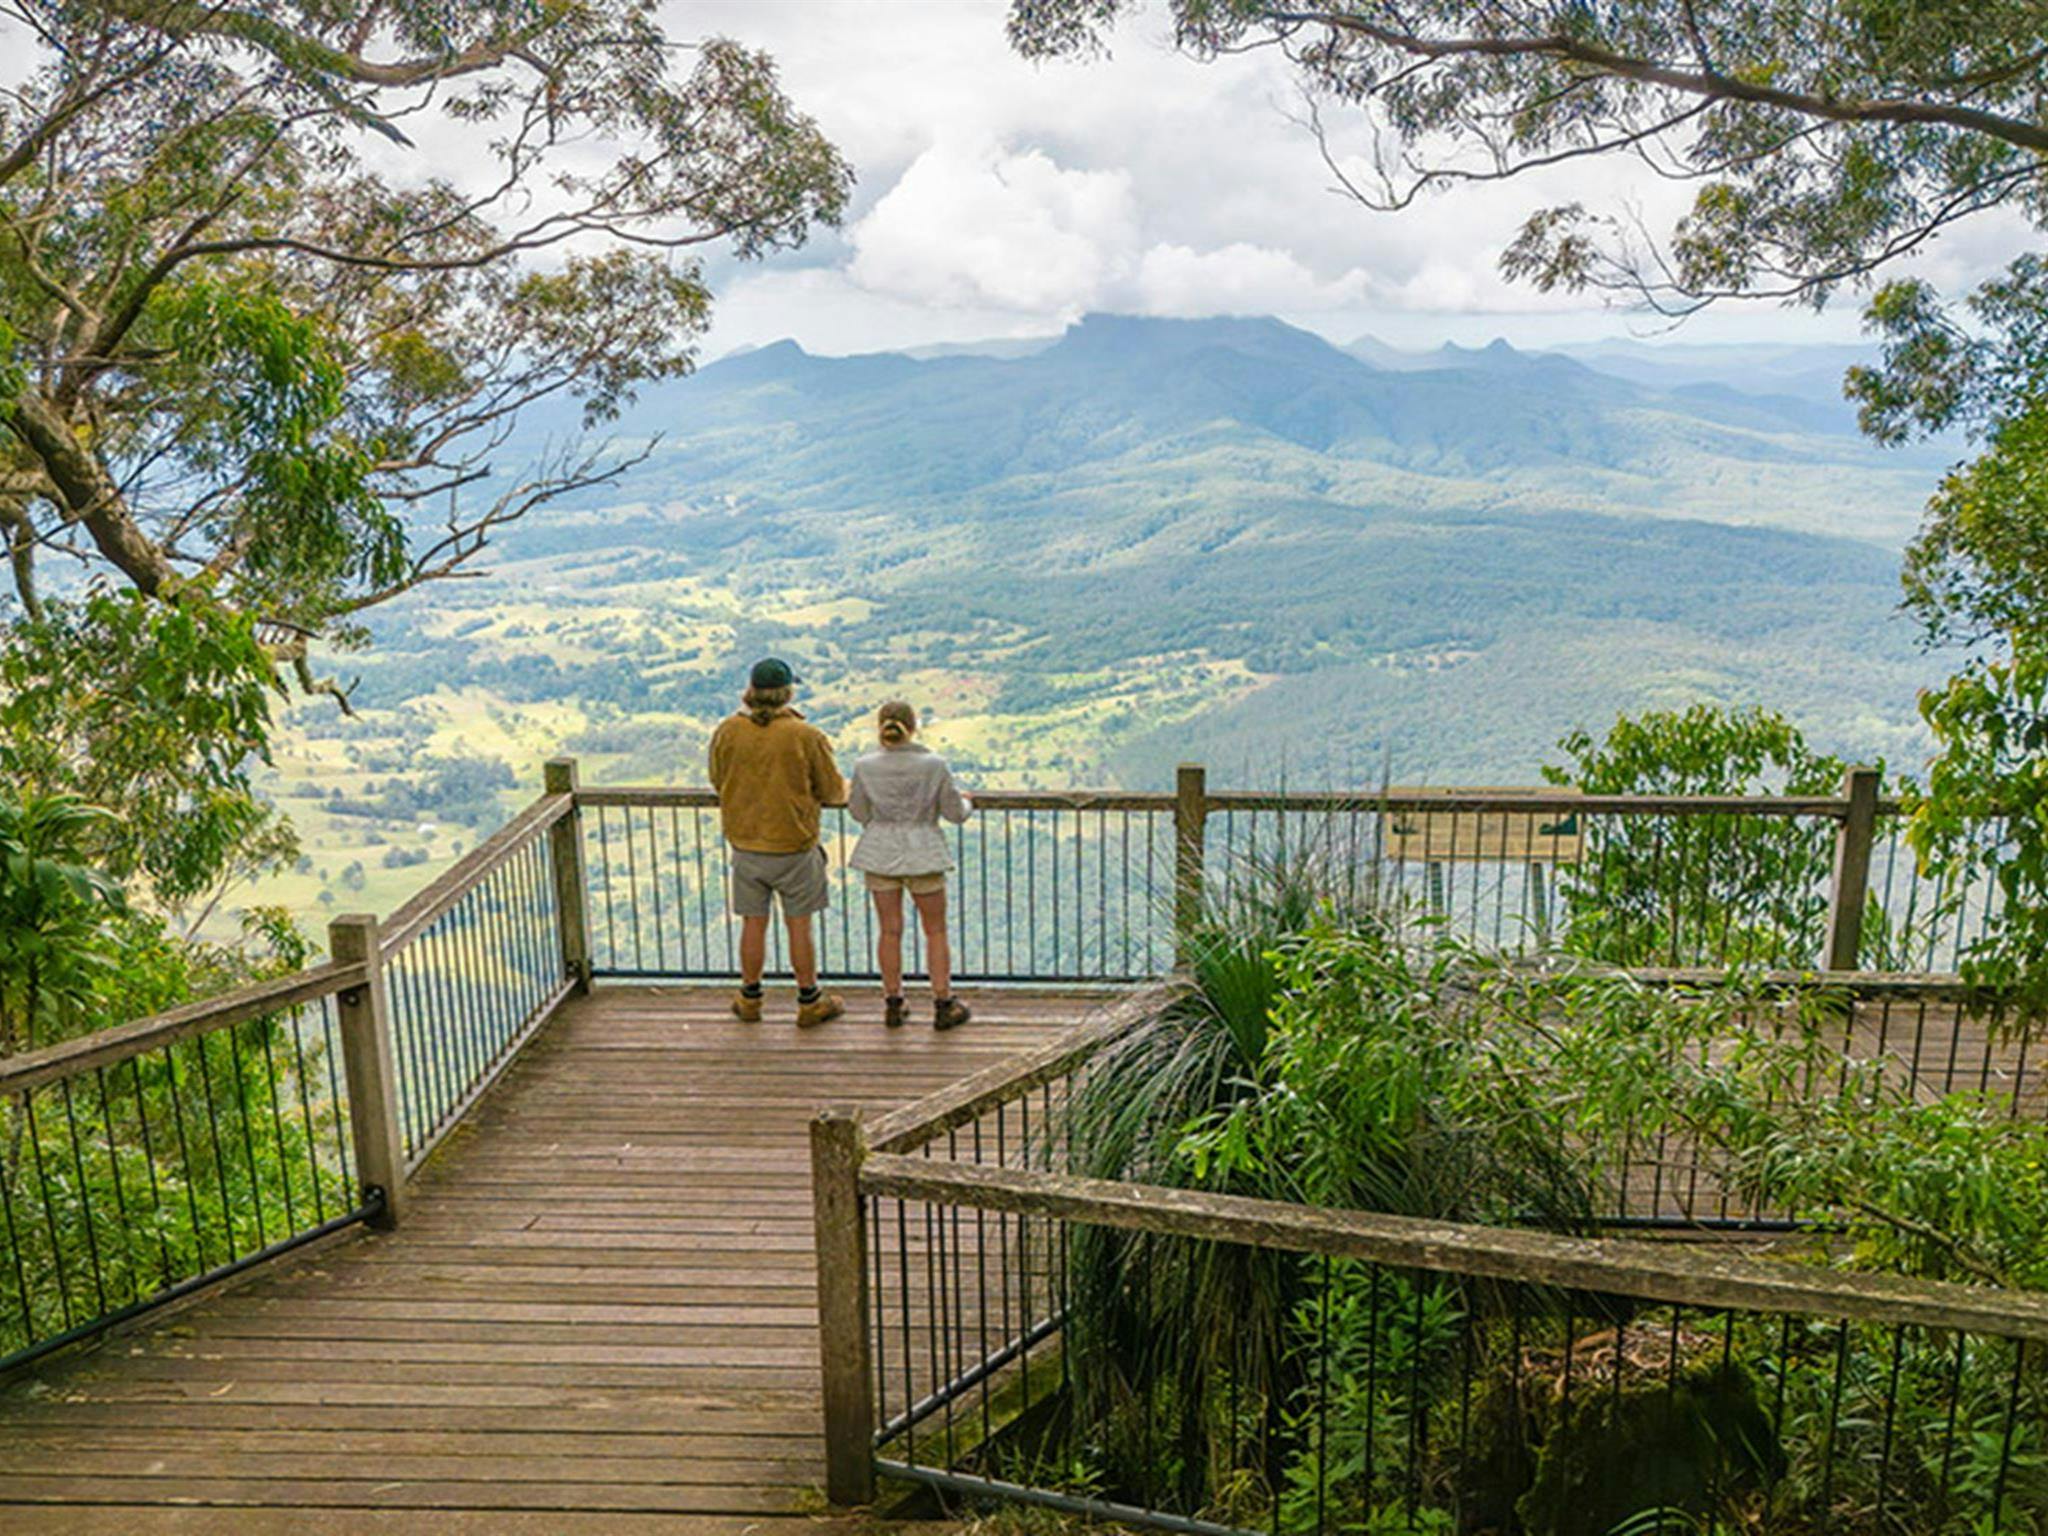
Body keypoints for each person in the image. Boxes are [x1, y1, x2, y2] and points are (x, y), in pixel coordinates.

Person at [707, 657, 847, 1028]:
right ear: (787, 693)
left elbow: (717, 779)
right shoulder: (806, 736)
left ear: (751, 691)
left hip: (746, 845)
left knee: (753, 924)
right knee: (798, 926)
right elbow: (832, 792)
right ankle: (808, 1001)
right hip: (794, 846)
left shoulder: (727, 732)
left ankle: (750, 998)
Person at [846, 700, 974, 1030]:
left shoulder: (864, 765)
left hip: (880, 852)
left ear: (881, 726)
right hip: (924, 852)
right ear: (913, 726)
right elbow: (954, 814)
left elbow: (859, 812)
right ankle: (943, 1002)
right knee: (935, 930)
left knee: (889, 930)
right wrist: (968, 802)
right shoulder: (934, 764)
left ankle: (893, 1002)